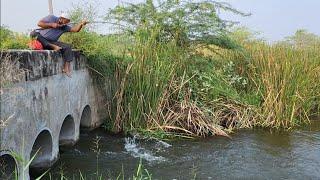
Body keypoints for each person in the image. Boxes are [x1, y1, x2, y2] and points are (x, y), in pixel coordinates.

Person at [30, 13, 88, 77]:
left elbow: (75, 30)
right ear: (61, 18)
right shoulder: (51, 17)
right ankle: (53, 46)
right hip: (41, 39)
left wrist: (81, 24)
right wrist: (51, 24)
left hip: (52, 42)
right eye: (65, 21)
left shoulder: (64, 27)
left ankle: (66, 68)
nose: (65, 24)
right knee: (33, 33)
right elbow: (39, 24)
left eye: (67, 23)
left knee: (68, 46)